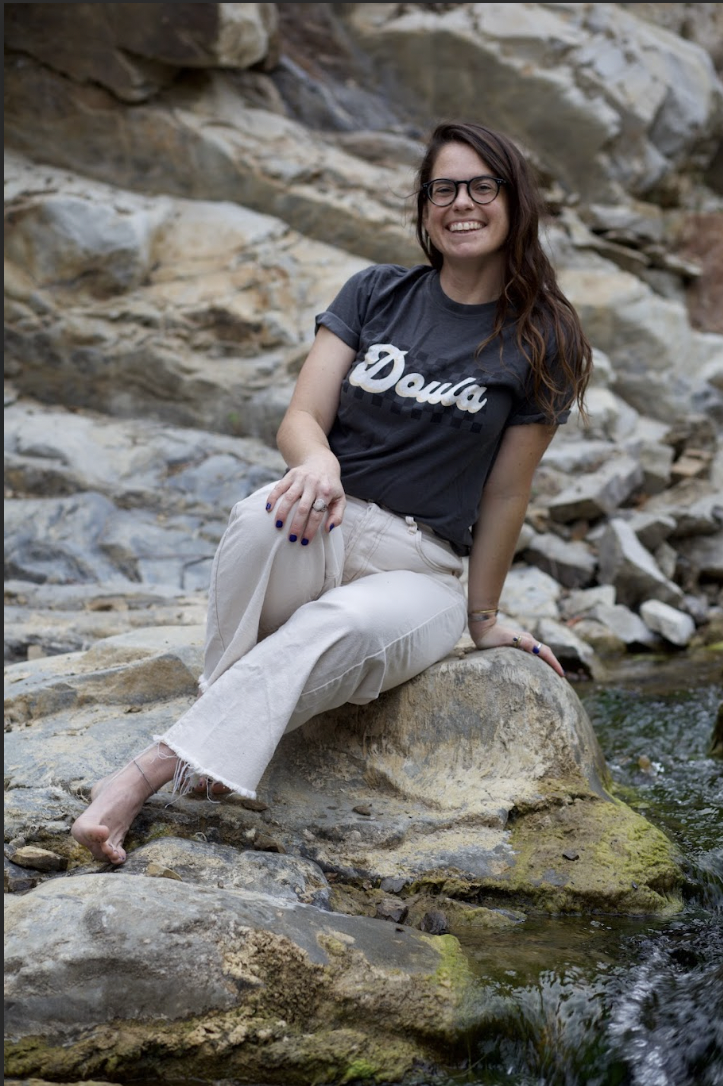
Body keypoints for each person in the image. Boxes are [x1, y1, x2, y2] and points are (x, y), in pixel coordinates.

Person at [71, 120, 592, 865]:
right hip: (329, 519)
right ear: (424, 207)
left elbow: (508, 494)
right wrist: (316, 462)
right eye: (443, 188)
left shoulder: (545, 336)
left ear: (516, 202)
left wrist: (483, 618)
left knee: (339, 623)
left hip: (422, 569)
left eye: (484, 186)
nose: (462, 203)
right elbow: (301, 418)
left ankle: (145, 773)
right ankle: (225, 724)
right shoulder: (376, 292)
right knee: (260, 515)